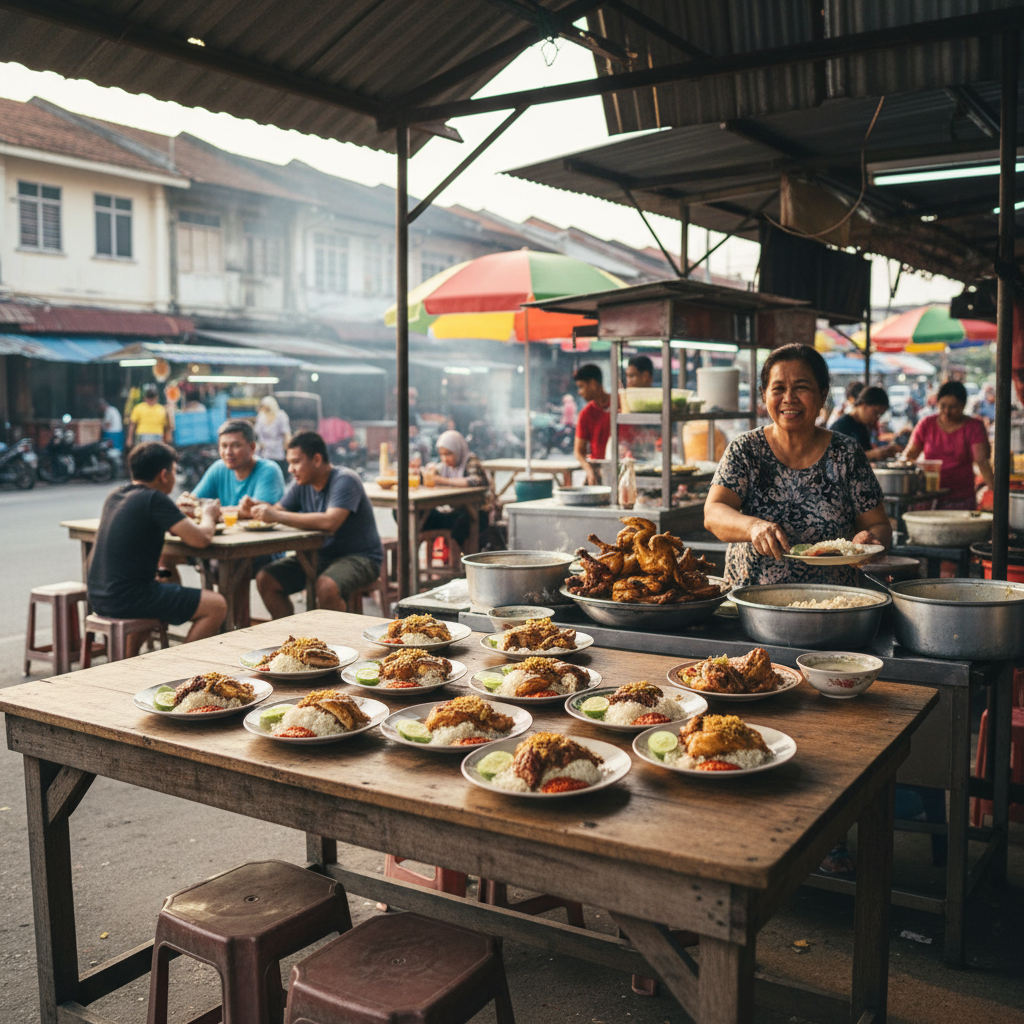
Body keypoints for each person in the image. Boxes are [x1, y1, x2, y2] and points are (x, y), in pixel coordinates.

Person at [704, 344, 891, 589]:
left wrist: (870, 540)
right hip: (752, 598)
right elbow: (714, 512)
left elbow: (879, 525)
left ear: (822, 395)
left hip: (834, 601)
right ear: (764, 395)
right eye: (778, 389)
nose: (789, 398)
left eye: (801, 388)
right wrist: (753, 526)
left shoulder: (846, 453)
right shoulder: (745, 449)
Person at [86, 442, 226, 656]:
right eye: (173, 471)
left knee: (162, 585)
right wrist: (209, 515)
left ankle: (125, 664)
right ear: (164, 474)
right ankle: (178, 668)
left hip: (99, 597)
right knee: (217, 605)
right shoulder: (154, 498)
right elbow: (202, 539)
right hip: (130, 598)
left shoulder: (116, 495)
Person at [254, 431, 384, 616]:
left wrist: (275, 515)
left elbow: (330, 522)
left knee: (325, 586)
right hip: (318, 557)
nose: (291, 469)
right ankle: (294, 637)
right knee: (266, 579)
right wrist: (256, 508)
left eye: (296, 462)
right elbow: (279, 510)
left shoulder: (345, 479)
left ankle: (336, 642)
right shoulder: (301, 484)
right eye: (290, 463)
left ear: (316, 460)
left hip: (361, 558)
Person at [902, 380, 994, 509]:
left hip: (961, 498)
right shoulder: (927, 424)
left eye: (953, 407)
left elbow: (982, 461)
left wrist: (994, 491)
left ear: (963, 405)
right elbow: (909, 455)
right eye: (943, 406)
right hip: (929, 496)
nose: (946, 411)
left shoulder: (974, 427)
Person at [185, 419, 286, 513]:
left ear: (252, 447)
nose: (228, 452)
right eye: (224, 446)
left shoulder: (269, 470)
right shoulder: (218, 468)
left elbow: (257, 512)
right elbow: (194, 502)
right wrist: (186, 503)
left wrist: (210, 511)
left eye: (236, 445)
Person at [422, 430, 496, 553]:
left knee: (460, 524)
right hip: (455, 512)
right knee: (427, 518)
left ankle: (458, 564)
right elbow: (431, 473)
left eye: (449, 454)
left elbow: (475, 481)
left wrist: (443, 480)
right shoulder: (444, 467)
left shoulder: (471, 461)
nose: (444, 459)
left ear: (458, 450)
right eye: (442, 454)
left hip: (477, 513)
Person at [830, 386, 901, 461]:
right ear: (863, 405)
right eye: (875, 412)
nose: (877, 418)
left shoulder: (863, 427)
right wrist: (873, 454)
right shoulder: (841, 426)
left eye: (880, 415)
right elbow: (838, 459)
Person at [572, 364, 611, 485]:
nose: (579, 392)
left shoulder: (620, 404)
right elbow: (579, 452)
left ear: (593, 384)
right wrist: (589, 470)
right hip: (598, 473)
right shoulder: (585, 414)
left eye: (581, 387)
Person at [620, 354, 658, 457]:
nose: (628, 381)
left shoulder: (658, 400)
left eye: (632, 376)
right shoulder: (624, 401)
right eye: (627, 376)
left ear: (645, 376)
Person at [254, 396, 291, 475]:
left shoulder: (281, 415)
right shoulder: (261, 417)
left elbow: (287, 434)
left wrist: (289, 449)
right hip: (265, 454)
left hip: (278, 453)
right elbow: (259, 435)